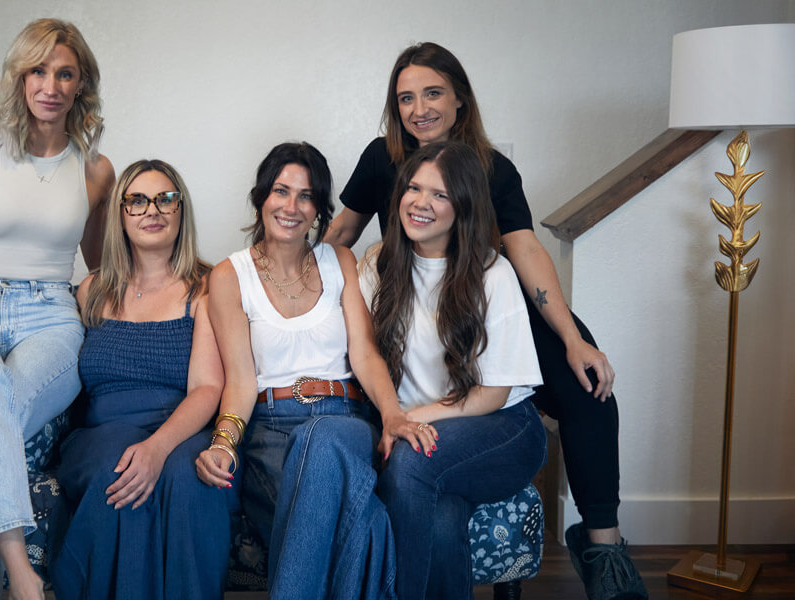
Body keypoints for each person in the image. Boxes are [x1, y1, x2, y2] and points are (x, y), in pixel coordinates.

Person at [326, 41, 647, 600]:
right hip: (407, 286)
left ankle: (605, 554)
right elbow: (340, 237)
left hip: (480, 298)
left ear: (460, 100)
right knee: (439, 501)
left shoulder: (493, 174)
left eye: (432, 93)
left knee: (587, 383)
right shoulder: (382, 160)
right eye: (405, 97)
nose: (419, 108)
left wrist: (570, 337)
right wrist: (286, 282)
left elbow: (524, 252)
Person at [195, 142, 433, 599]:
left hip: (346, 422)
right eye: (281, 191)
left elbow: (364, 354)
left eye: (305, 196)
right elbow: (241, 381)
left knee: (321, 435)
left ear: (319, 208)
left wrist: (393, 416)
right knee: (367, 524)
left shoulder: (339, 261)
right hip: (271, 433)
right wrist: (223, 442)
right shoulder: (230, 275)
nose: (291, 206)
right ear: (261, 197)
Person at [0, 18, 114, 599]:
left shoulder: (94, 170)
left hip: (52, 322)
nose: (50, 85)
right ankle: (24, 578)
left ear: (81, 85)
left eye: (65, 73)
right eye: (38, 70)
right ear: (20, 76)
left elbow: (101, 265)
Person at [359, 140, 545, 600]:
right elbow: (364, 355)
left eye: (439, 195)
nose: (420, 203)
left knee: (409, 463)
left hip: (500, 428)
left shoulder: (492, 272)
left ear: (463, 205)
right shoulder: (377, 265)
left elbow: (493, 394)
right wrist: (393, 416)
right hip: (416, 425)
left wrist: (409, 419)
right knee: (440, 521)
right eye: (414, 188)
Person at [52, 160, 232, 599]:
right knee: (123, 469)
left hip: (183, 427)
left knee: (190, 478)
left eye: (166, 198)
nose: (152, 209)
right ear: (120, 214)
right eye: (137, 200)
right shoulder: (89, 291)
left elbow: (208, 388)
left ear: (181, 211)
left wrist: (157, 447)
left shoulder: (207, 288)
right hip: (100, 434)